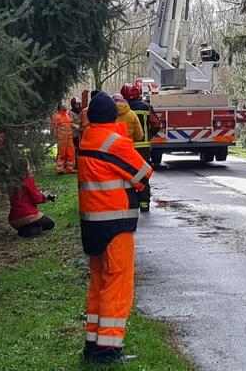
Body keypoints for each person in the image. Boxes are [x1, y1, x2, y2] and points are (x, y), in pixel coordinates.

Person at [77, 90, 153, 363]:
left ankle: (93, 343)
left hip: (92, 223)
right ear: (113, 116)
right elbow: (143, 174)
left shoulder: (87, 138)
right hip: (115, 224)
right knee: (117, 285)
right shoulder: (115, 143)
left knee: (98, 283)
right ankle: (108, 349)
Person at [122, 85, 153, 213]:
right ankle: (144, 205)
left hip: (125, 147)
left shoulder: (122, 109)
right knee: (143, 176)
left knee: (127, 175)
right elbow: (156, 124)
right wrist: (149, 136)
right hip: (143, 147)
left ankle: (130, 204)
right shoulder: (146, 107)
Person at [8, 166, 56, 238]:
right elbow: (36, 198)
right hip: (28, 215)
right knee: (50, 223)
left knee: (28, 225)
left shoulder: (11, 182)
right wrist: (44, 196)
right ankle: (32, 231)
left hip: (13, 219)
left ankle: (26, 230)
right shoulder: (27, 179)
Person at [52, 103, 76, 174]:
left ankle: (70, 169)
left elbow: (70, 124)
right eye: (64, 105)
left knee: (71, 153)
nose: (66, 106)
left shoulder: (67, 115)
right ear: (61, 108)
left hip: (69, 138)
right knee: (62, 154)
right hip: (61, 139)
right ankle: (60, 169)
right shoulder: (57, 117)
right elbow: (53, 128)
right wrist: (54, 136)